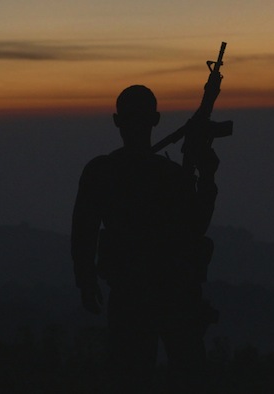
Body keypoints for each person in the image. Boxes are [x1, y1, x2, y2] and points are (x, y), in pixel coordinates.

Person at [71, 85, 219, 392]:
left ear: (116, 120)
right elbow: (197, 225)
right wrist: (206, 177)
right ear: (156, 119)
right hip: (167, 294)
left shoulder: (103, 172)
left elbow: (83, 230)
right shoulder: (169, 175)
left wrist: (86, 279)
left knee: (133, 377)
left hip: (138, 295)